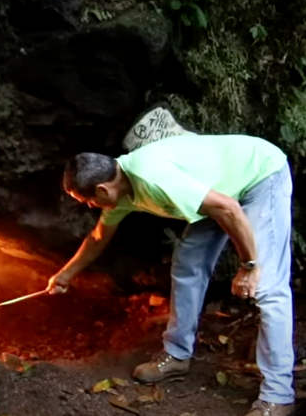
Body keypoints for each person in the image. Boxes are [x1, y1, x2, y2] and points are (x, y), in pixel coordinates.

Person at [47, 133, 294, 416]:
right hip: (219, 192)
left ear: (102, 190)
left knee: (268, 288)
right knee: (188, 262)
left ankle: (279, 395)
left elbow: (229, 209)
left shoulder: (153, 177)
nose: (90, 207)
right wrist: (66, 274)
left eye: (87, 201)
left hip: (259, 175)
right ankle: (177, 354)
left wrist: (249, 266)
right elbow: (99, 236)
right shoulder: (122, 189)